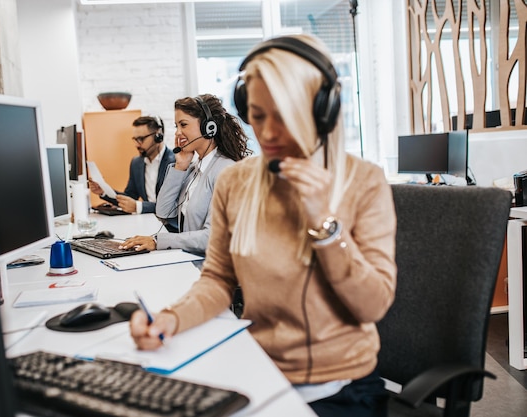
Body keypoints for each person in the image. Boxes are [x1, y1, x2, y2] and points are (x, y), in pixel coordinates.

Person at [128, 34, 397, 417]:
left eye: (283, 115)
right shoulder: (237, 182)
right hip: (257, 371)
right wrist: (170, 319)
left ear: (321, 110)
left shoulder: (363, 181)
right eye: (257, 115)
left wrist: (325, 225)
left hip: (341, 389)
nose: (267, 133)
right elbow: (218, 280)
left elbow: (372, 304)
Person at [119, 94, 251, 255]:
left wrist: (157, 241)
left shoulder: (227, 172)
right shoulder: (195, 168)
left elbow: (213, 237)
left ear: (208, 127)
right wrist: (180, 166)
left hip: (214, 268)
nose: (177, 133)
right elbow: (163, 212)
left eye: (183, 125)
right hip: (189, 259)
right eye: (176, 126)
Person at [89, 115, 175, 214]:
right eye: (135, 139)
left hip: (170, 225)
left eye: (141, 139)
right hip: (149, 220)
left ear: (158, 136)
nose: (137, 145)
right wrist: (103, 191)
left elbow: (172, 205)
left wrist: (139, 206)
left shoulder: (175, 163)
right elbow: (130, 197)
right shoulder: (136, 163)